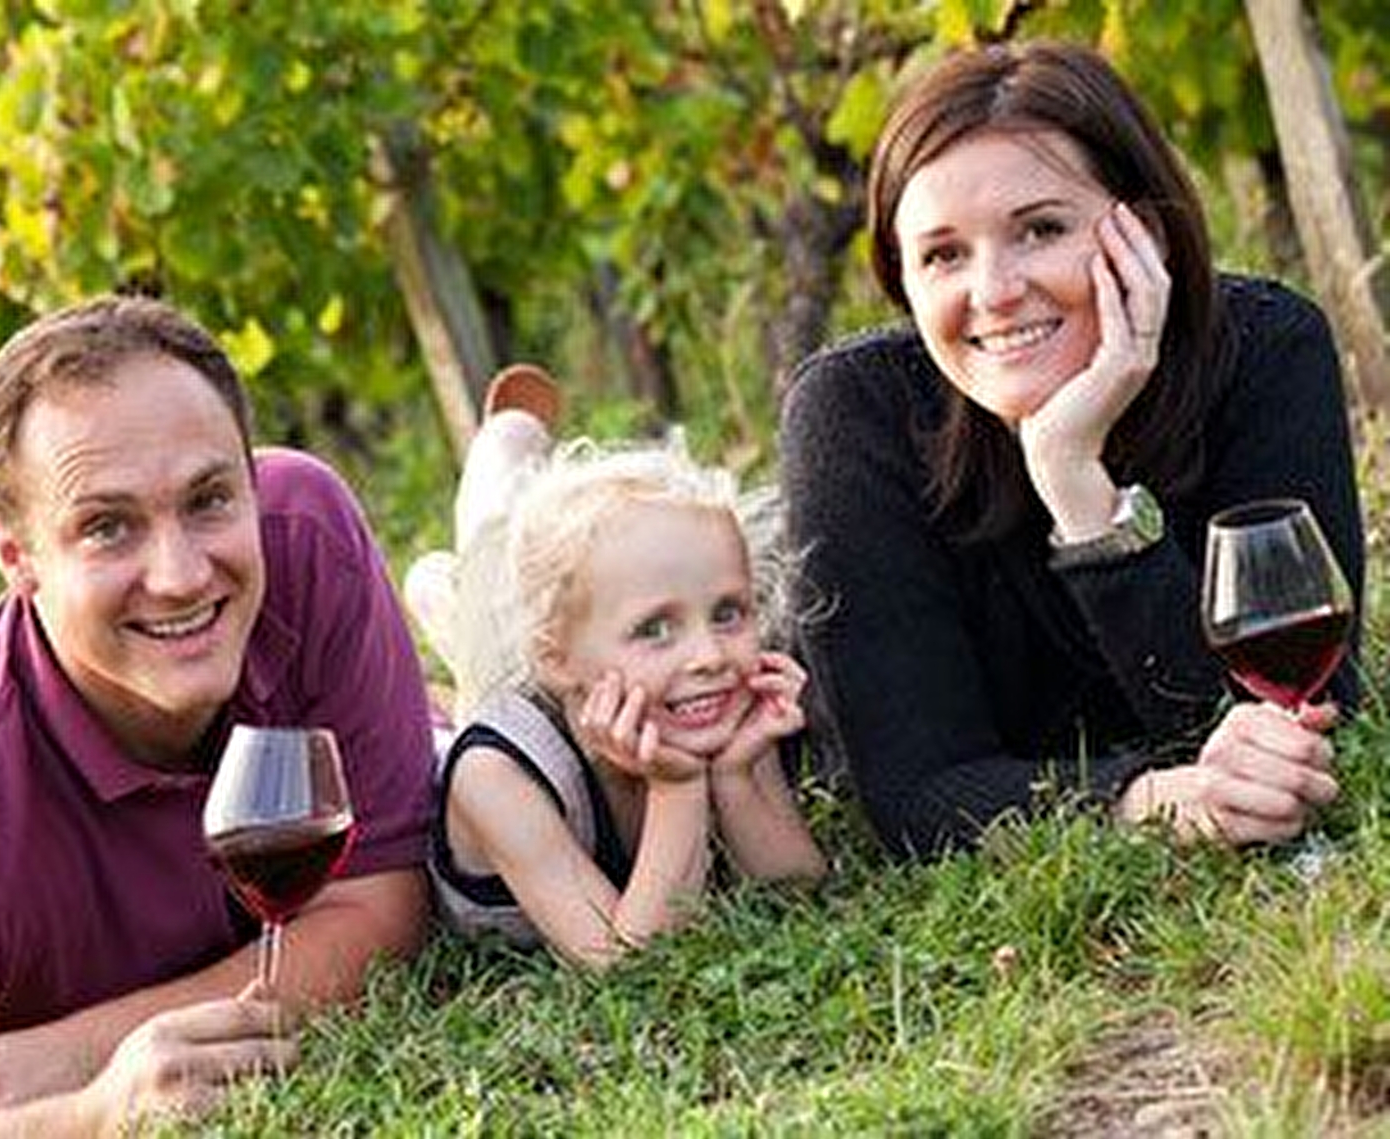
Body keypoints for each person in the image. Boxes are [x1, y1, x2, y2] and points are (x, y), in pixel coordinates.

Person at [0, 295, 434, 1131]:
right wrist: (89, 1116)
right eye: (106, 527)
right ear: (14, 554)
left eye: (208, 499)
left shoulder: (302, 540)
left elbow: (381, 904)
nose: (181, 575)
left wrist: (74, 1051)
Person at [779, 40, 1365, 858]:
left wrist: (1080, 491)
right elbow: (917, 795)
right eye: (943, 254)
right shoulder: (855, 414)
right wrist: (1148, 801)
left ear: (1144, 232)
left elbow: (1294, 715)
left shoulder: (1263, 351)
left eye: (1039, 229)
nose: (993, 291)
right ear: (902, 281)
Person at [409, 368, 826, 967]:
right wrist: (678, 788)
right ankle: (506, 437)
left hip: (563, 657)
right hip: (514, 700)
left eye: (728, 612)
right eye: (654, 628)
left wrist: (737, 775)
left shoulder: (716, 700)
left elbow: (800, 896)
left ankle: (442, 599)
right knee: (491, 549)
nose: (709, 657)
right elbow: (628, 964)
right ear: (555, 659)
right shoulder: (496, 775)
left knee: (490, 619)